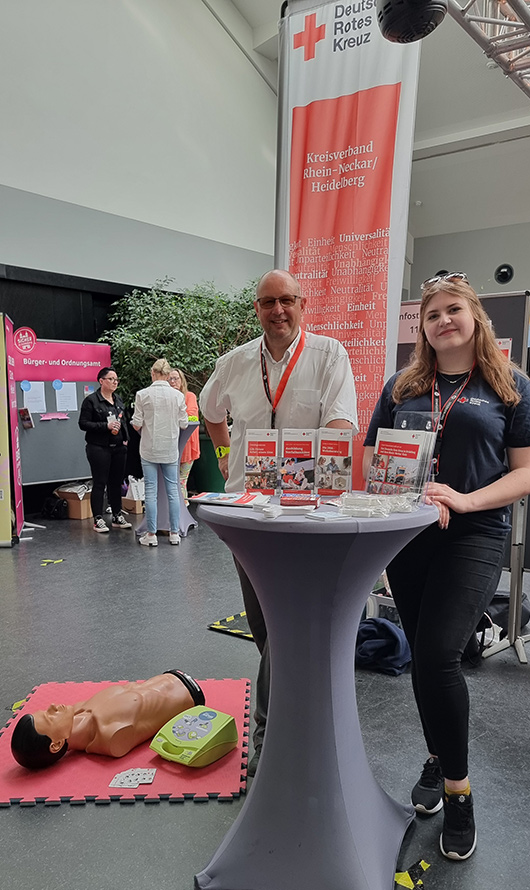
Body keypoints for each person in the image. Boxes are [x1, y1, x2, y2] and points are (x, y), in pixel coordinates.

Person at [363, 272, 530, 861]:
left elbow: (528, 474)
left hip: (474, 533)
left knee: (441, 653)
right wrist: (408, 496)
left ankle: (459, 790)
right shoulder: (403, 385)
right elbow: (372, 457)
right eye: (432, 314)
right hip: (410, 535)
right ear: (422, 327)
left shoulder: (509, 385)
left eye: (453, 311)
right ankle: (440, 754)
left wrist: (463, 499)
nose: (442, 321)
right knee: (422, 657)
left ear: (475, 317)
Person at [199, 269, 358, 774]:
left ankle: (270, 733)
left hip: (307, 511)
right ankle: (291, 716)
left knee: (295, 620)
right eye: (268, 303)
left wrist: (298, 470)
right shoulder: (235, 362)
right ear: (257, 309)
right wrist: (227, 451)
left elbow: (340, 425)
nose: (278, 311)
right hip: (249, 514)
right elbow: (209, 410)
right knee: (265, 622)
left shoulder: (329, 355)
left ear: (302, 303)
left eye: (286, 300)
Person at [10, 671, 206, 768]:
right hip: (190, 695)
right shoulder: (110, 737)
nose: (52, 706)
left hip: (170, 675)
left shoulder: (80, 709)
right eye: (50, 717)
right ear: (56, 744)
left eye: (46, 710)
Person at [132, 358, 189, 546]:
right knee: (173, 490)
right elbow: (184, 423)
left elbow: (137, 423)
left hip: (149, 449)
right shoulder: (178, 396)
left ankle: (151, 535)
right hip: (170, 449)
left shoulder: (142, 394)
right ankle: (174, 533)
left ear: (153, 373)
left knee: (151, 491)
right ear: (167, 374)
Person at [78, 367, 132, 533]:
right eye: (111, 379)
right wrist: (105, 426)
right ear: (101, 381)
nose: (114, 382)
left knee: (116, 483)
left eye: (116, 379)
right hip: (98, 447)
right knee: (100, 482)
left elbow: (123, 420)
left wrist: (125, 438)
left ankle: (117, 515)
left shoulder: (118, 400)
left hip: (118, 447)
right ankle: (98, 518)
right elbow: (83, 424)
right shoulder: (92, 401)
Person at [167, 367, 200, 504]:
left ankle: (182, 509)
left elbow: (191, 416)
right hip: (168, 445)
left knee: (181, 480)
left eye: (176, 378)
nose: (173, 381)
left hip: (187, 445)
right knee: (169, 480)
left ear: (182, 381)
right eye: (170, 379)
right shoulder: (165, 398)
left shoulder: (189, 396)